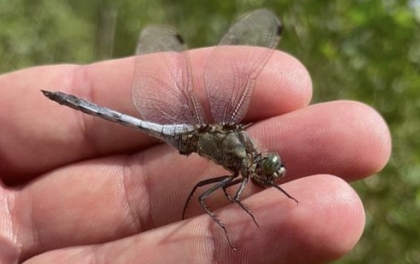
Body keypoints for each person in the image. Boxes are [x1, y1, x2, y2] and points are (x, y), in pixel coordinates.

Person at [0, 48, 391, 263]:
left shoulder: (246, 158)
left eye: (271, 171)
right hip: (186, 132)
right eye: (270, 171)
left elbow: (232, 190)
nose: (270, 173)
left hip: (197, 135)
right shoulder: (241, 159)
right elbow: (223, 195)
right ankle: (65, 100)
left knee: (206, 194)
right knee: (205, 195)